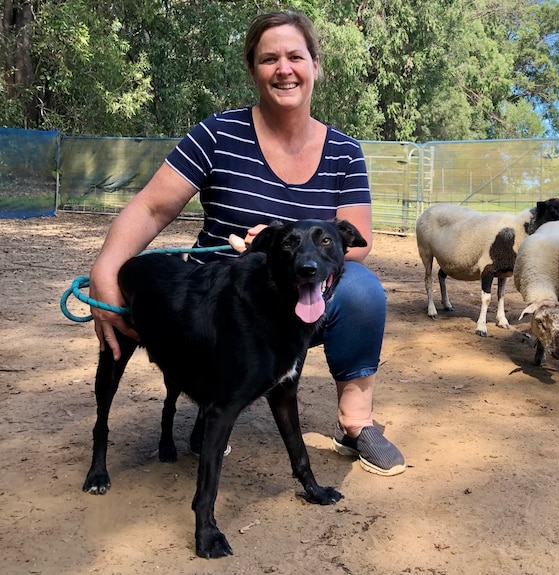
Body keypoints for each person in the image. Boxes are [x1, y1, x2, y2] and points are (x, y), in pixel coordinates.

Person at [88, 10, 405, 476]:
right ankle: (211, 402)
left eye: (296, 56)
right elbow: (152, 208)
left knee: (362, 290)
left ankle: (356, 424)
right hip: (225, 295)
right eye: (268, 58)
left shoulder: (344, 150)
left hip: (301, 289)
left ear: (316, 65)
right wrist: (105, 273)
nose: (284, 69)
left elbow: (357, 241)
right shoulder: (217, 134)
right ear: (253, 69)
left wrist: (289, 250)